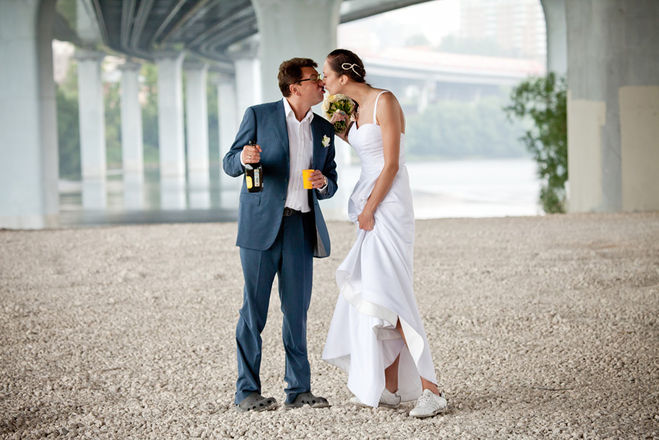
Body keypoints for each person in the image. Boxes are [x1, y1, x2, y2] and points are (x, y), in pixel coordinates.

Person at [321, 49, 447, 418]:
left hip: (388, 206)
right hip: (369, 203)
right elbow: (365, 148)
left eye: (326, 75)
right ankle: (390, 388)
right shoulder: (354, 109)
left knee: (394, 293)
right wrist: (340, 127)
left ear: (344, 77)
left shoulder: (384, 101)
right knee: (377, 291)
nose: (323, 81)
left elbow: (391, 163)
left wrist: (370, 209)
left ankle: (432, 390)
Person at [223, 57, 338, 412]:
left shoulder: (323, 128)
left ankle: (299, 390)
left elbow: (332, 180)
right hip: (260, 229)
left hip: (300, 229)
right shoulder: (259, 115)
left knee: (297, 312)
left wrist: (323, 183)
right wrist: (244, 158)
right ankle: (247, 392)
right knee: (253, 312)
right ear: (294, 88)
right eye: (314, 78)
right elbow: (229, 162)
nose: (321, 83)